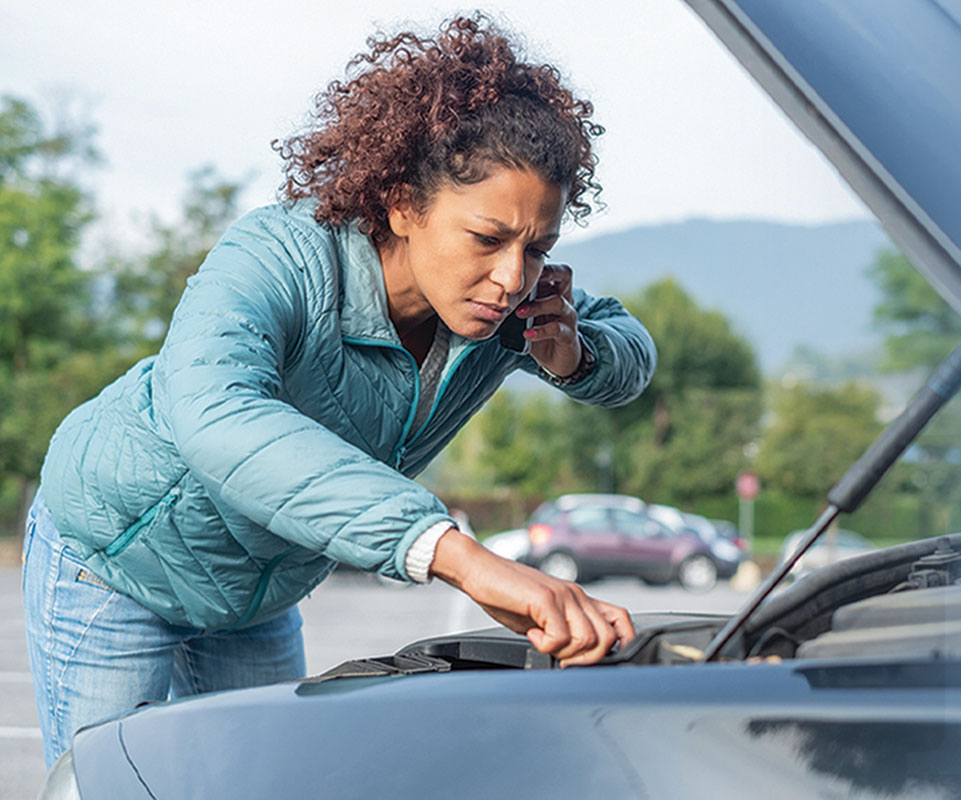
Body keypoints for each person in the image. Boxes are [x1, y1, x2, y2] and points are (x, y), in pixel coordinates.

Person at [21, 14, 655, 767]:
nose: (512, 276)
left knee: (268, 787)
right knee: (114, 784)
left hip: (256, 599)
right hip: (115, 560)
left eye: (537, 247)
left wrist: (573, 353)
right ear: (402, 206)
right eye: (487, 239)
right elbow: (218, 414)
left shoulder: (512, 310)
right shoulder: (277, 256)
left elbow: (632, 350)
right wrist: (458, 556)